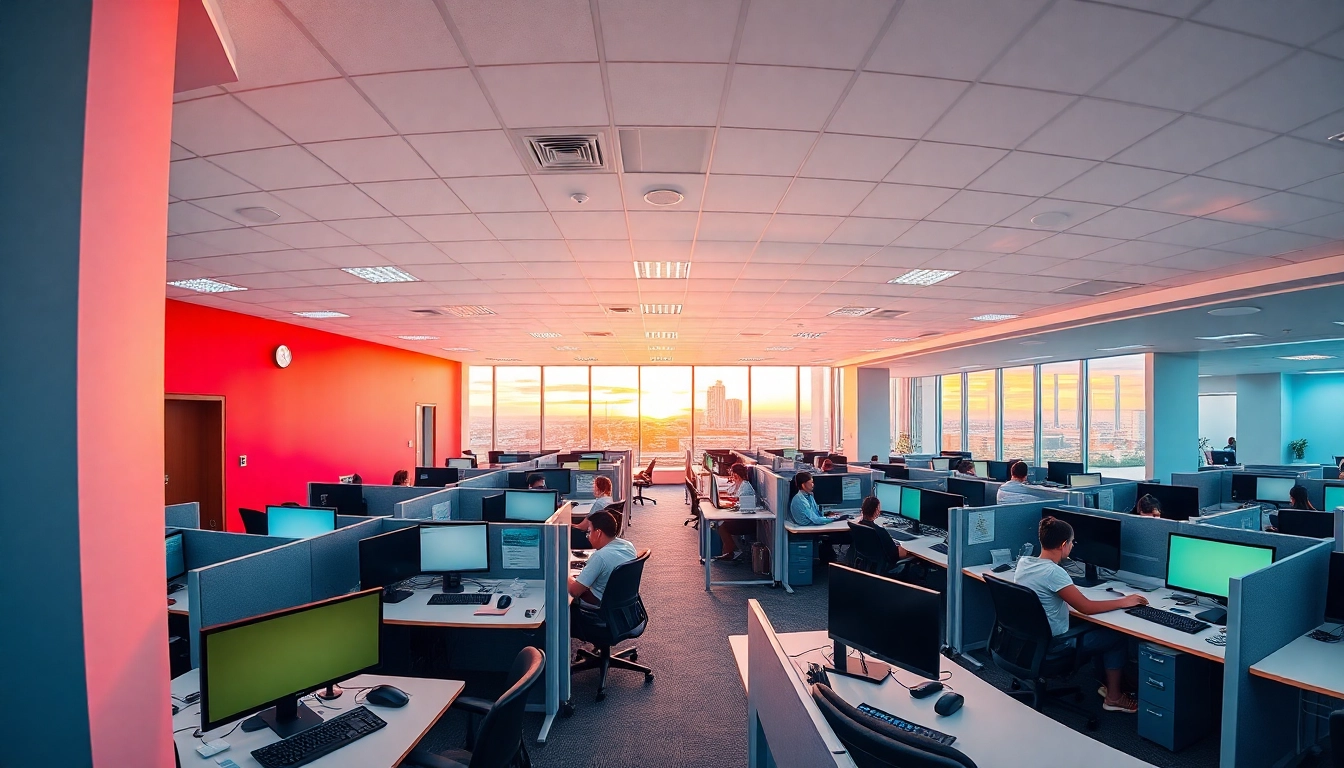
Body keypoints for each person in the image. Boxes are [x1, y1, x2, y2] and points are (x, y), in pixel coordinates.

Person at [1014, 516, 1148, 714]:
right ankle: (1113, 697)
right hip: (1057, 644)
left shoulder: (1025, 563)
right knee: (1116, 636)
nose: (1072, 546)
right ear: (1063, 545)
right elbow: (1085, 608)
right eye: (1072, 542)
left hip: (1029, 641)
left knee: (1098, 627)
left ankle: (1103, 680)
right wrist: (1125, 601)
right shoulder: (1054, 573)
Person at [568, 510, 636, 607]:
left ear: (598, 533)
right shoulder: (628, 546)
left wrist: (564, 573)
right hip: (620, 603)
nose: (588, 537)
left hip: (600, 606)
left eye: (589, 532)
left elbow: (575, 591)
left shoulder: (600, 557)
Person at [714, 465, 759, 562]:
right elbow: (730, 492)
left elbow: (742, 504)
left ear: (736, 475)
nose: (731, 477)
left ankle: (732, 551)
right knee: (721, 522)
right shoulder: (740, 484)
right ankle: (729, 551)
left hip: (746, 521)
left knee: (722, 525)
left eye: (732, 474)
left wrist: (732, 504)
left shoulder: (746, 487)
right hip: (741, 515)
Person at [853, 495, 907, 571]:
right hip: (885, 567)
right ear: (876, 511)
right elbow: (896, 556)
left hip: (866, 564)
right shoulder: (879, 531)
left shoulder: (857, 526)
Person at [572, 475, 616, 542]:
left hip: (592, 538)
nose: (593, 490)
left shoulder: (599, 504)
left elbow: (583, 527)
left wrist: (569, 525)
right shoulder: (610, 501)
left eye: (594, 487)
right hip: (605, 535)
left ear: (599, 488)